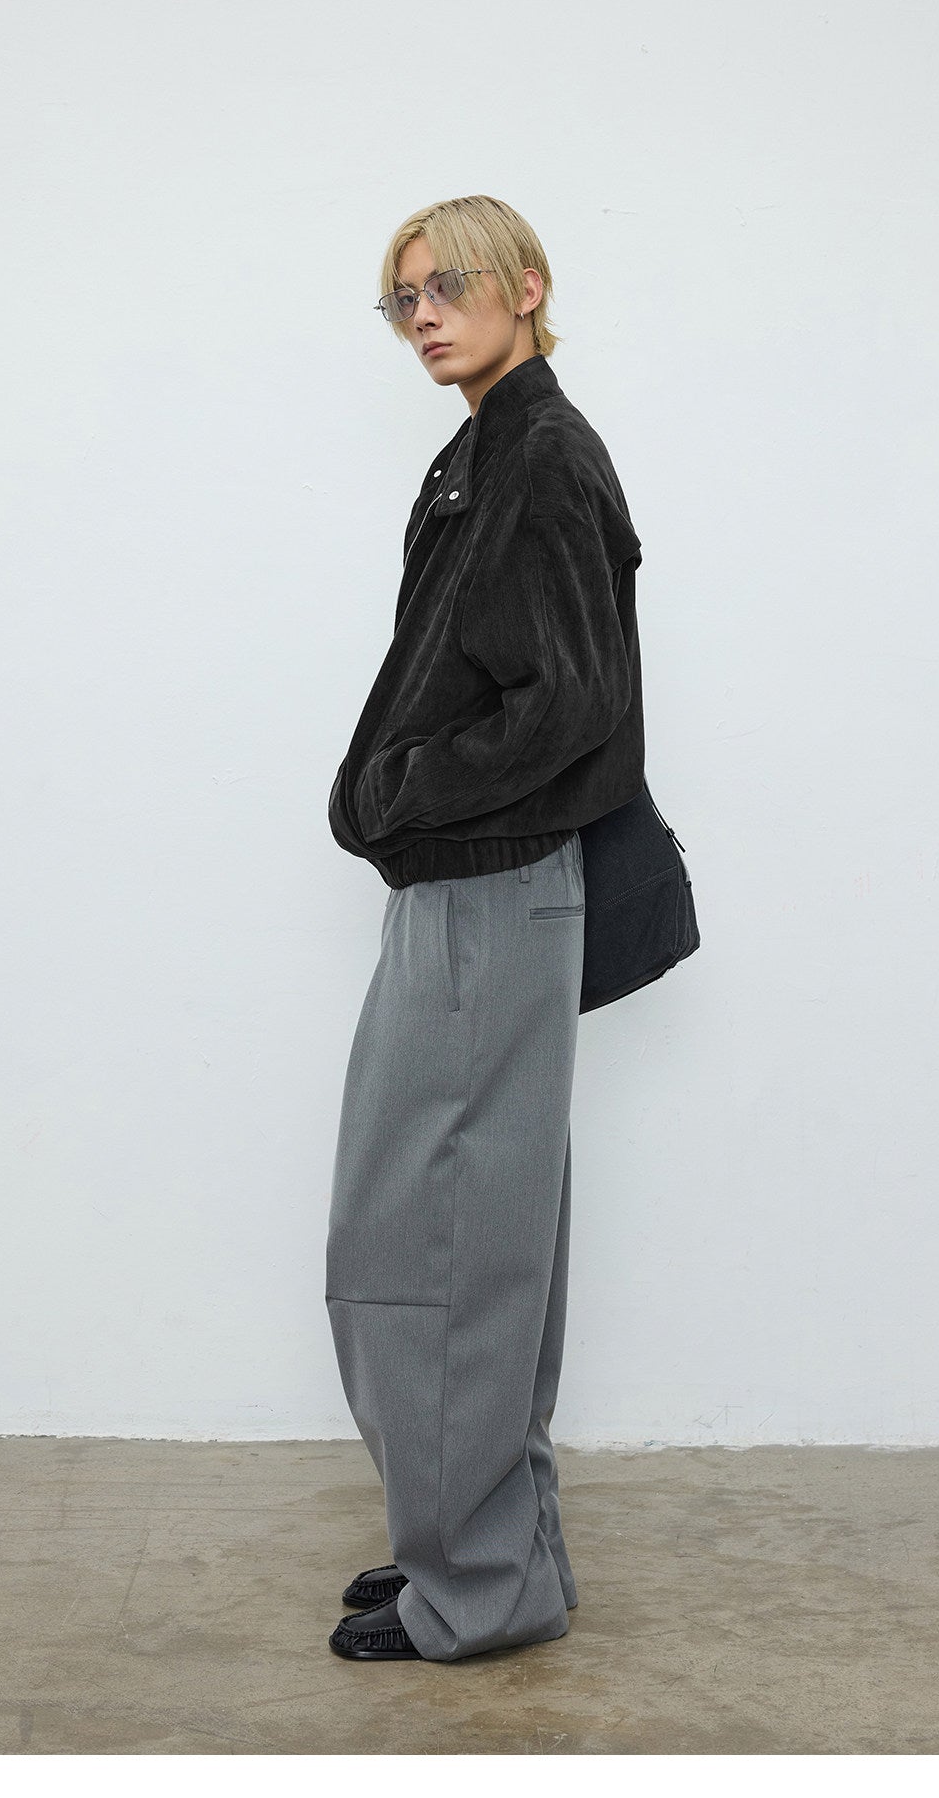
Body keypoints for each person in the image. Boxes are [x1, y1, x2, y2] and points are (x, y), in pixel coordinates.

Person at [324, 194, 646, 1663]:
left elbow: (575, 702)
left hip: (489, 883)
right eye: (403, 298)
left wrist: (398, 791)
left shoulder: (543, 457)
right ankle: (481, 1548)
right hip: (469, 887)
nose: (425, 315)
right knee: (463, 1227)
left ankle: (477, 1582)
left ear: (526, 284)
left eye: (448, 284)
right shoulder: (485, 452)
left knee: (438, 1233)